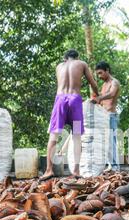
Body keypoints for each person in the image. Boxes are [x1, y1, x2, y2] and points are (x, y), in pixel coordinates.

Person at [41, 49, 99, 180]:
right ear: (76, 57)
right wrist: (97, 95)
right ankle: (76, 171)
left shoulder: (59, 66)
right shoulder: (81, 63)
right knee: (77, 136)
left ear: (64, 58)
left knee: (53, 135)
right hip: (75, 101)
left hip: (60, 100)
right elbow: (93, 84)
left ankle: (48, 170)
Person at [93, 61, 121, 171]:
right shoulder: (104, 85)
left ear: (107, 70)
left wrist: (100, 98)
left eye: (100, 73)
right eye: (98, 74)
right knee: (104, 142)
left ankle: (115, 167)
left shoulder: (114, 82)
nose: (99, 76)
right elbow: (102, 101)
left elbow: (112, 94)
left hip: (111, 115)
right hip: (103, 116)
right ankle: (110, 165)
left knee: (111, 141)